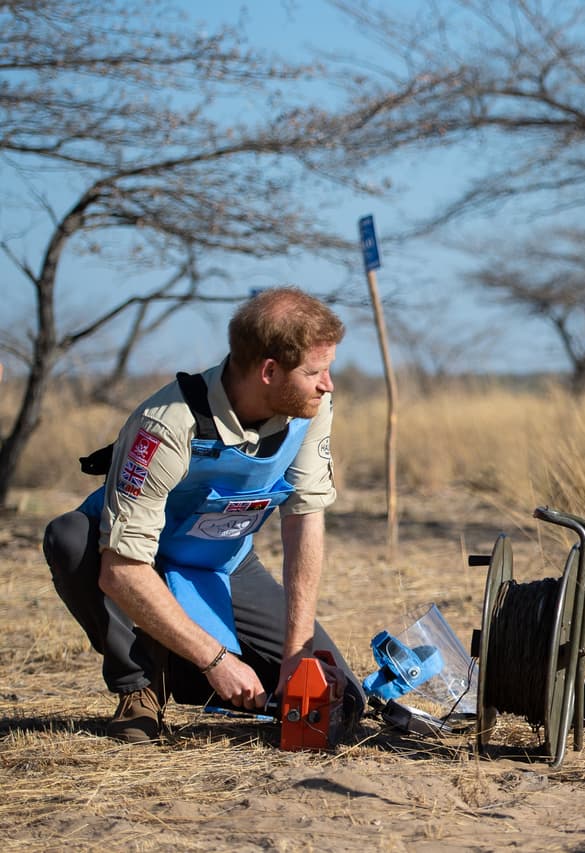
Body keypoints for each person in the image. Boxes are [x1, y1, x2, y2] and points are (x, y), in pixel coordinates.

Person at [43, 286, 363, 743]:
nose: (328, 383)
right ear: (268, 371)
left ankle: (183, 671)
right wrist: (217, 660)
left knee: (340, 704)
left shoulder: (311, 408)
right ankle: (141, 684)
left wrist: (297, 651)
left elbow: (304, 516)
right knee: (69, 536)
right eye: (315, 371)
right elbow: (121, 571)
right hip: (138, 560)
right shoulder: (166, 424)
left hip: (222, 560)